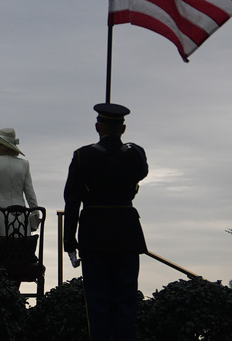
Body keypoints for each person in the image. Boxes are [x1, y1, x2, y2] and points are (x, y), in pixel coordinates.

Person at [63, 103, 149, 341]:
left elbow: (72, 201)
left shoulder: (82, 156)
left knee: (98, 303)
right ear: (123, 128)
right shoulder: (136, 154)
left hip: (95, 234)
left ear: (97, 126)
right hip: (127, 233)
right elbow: (141, 171)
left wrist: (69, 242)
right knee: (126, 301)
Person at [0, 127, 40, 264]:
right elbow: (30, 193)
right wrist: (35, 214)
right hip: (20, 214)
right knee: (18, 255)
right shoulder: (24, 164)